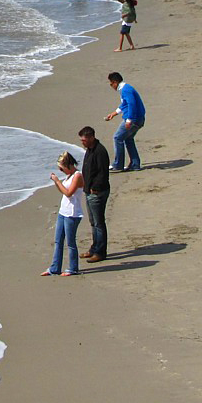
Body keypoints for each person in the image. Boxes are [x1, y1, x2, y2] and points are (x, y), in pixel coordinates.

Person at [41, 151, 84, 276]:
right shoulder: (69, 176)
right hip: (63, 211)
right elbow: (63, 191)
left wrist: (57, 181)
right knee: (58, 240)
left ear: (68, 165)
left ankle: (73, 268)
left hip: (72, 213)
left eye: (62, 168)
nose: (61, 171)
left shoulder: (77, 175)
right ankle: (55, 267)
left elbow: (69, 192)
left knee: (70, 242)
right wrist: (56, 182)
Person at [78, 125, 111, 263]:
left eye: (84, 140)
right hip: (89, 191)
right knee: (93, 222)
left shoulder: (100, 151)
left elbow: (103, 173)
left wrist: (95, 188)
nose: (82, 143)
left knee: (99, 223)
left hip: (97, 192)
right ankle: (94, 248)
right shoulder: (90, 150)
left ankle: (100, 252)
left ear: (91, 137)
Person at [105, 72, 146, 171]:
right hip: (139, 119)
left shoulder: (126, 90)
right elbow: (125, 104)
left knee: (117, 138)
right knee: (128, 139)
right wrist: (114, 114)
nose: (111, 86)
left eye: (111, 84)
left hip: (134, 119)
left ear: (115, 82)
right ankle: (135, 164)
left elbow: (131, 104)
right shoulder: (125, 89)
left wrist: (129, 120)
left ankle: (118, 165)